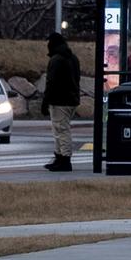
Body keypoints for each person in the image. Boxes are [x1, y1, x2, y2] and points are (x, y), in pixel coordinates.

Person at [41, 26, 85, 172]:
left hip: (59, 100)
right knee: (61, 129)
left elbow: (51, 82)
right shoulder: (73, 58)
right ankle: (60, 158)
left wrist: (45, 101)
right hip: (71, 99)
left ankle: (64, 159)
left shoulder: (56, 60)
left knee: (61, 130)